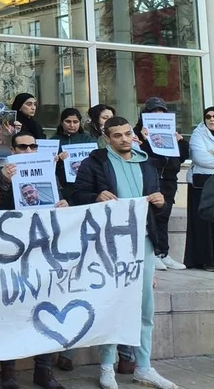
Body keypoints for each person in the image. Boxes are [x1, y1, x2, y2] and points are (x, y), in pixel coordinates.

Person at [70, 116, 178, 389]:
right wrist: (96, 196)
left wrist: (161, 202)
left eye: (127, 133)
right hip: (109, 244)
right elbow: (77, 195)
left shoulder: (148, 163)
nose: (123, 139)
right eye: (116, 135)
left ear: (134, 134)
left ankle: (144, 367)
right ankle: (107, 366)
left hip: (143, 243)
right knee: (111, 304)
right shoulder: (95, 162)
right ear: (107, 138)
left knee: (145, 308)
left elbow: (158, 207)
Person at [0, 131, 70, 388]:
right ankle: (8, 373)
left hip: (44, 250)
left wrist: (64, 203)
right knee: (12, 310)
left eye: (33, 147)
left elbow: (61, 204)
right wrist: (5, 183)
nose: (29, 151)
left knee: (45, 308)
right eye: (23, 147)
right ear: (13, 149)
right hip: (12, 253)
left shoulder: (48, 174)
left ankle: (43, 370)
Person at [134, 97, 186, 271]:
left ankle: (163, 252)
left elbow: (183, 155)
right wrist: (145, 140)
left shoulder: (170, 130)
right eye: (154, 111)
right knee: (151, 218)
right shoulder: (136, 132)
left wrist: (180, 142)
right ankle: (152, 253)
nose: (158, 114)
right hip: (151, 180)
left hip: (169, 179)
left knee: (163, 217)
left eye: (161, 111)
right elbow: (140, 156)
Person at [186, 107, 214, 270]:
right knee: (203, 223)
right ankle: (207, 260)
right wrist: (208, 154)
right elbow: (200, 157)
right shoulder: (198, 134)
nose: (211, 119)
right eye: (208, 116)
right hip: (202, 184)